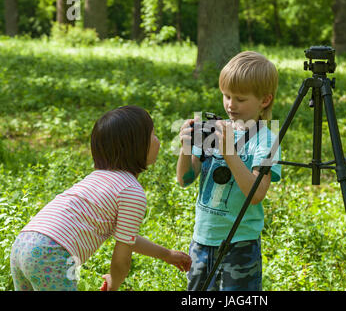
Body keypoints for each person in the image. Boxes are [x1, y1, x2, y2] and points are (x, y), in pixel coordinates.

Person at [10, 105, 191, 291]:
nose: (158, 141)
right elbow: (122, 259)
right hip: (51, 253)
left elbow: (126, 236)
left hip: (23, 244)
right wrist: (113, 284)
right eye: (153, 135)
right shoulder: (131, 191)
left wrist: (166, 254)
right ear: (136, 146)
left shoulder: (98, 179)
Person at [177, 51, 281, 291]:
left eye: (241, 99)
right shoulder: (216, 129)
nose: (231, 105)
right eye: (226, 96)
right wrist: (185, 147)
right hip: (202, 239)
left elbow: (256, 194)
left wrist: (230, 153)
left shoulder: (266, 140)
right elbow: (185, 179)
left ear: (264, 100)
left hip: (240, 244)